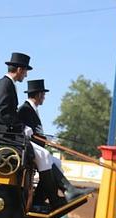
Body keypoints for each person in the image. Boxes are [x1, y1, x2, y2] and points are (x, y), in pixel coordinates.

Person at [16, 79, 92, 210]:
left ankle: (41, 198)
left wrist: (47, 140)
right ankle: (57, 196)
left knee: (57, 162)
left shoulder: (32, 109)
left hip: (36, 147)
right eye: (43, 95)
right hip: (27, 148)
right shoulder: (25, 109)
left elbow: (37, 133)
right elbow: (27, 133)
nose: (44, 98)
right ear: (39, 95)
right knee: (46, 157)